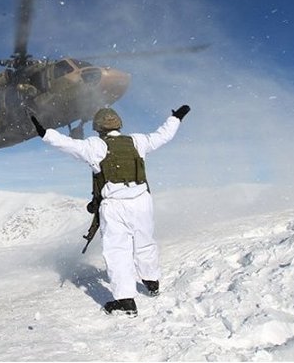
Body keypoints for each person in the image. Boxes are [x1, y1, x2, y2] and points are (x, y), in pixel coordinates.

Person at [30, 105, 190, 317]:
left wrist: (45, 133)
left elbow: (67, 145)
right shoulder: (137, 141)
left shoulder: (94, 146)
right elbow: (162, 136)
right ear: (119, 124)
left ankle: (126, 301)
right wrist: (175, 118)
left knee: (117, 251)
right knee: (145, 242)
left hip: (114, 205)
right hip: (141, 200)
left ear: (98, 128)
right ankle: (152, 283)